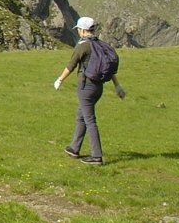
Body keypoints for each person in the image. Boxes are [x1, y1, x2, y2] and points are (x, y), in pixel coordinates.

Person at [53, 16, 125, 165]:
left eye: (79, 29)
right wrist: (117, 86)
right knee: (81, 115)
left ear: (83, 30)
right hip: (98, 88)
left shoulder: (83, 46)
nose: (78, 32)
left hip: (86, 88)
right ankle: (74, 148)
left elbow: (71, 65)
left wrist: (60, 80)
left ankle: (96, 156)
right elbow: (109, 70)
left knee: (89, 120)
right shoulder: (100, 45)